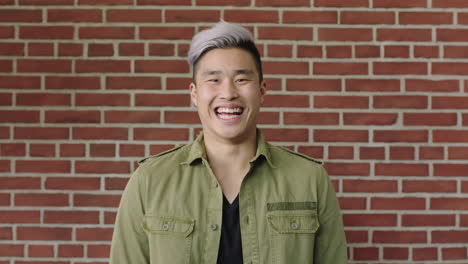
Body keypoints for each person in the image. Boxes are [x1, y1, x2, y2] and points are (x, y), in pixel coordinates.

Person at [109, 21, 347, 264]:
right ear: (194, 94)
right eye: (214, 80)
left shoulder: (310, 179)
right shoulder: (150, 180)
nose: (228, 93)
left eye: (241, 80)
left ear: (262, 91)